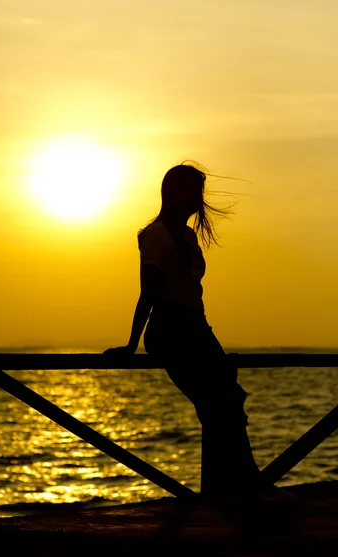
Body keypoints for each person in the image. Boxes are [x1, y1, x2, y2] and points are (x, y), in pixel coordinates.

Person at [104, 162, 296, 506]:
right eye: (189, 190)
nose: (196, 197)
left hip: (197, 328)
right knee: (217, 404)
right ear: (172, 193)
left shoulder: (189, 236)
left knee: (229, 402)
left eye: (198, 190)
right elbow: (148, 293)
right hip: (172, 330)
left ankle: (240, 487)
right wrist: (132, 344)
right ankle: (245, 488)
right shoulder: (157, 236)